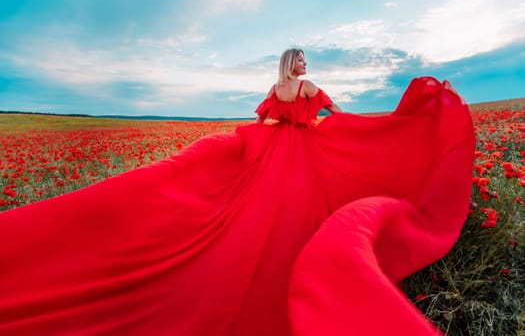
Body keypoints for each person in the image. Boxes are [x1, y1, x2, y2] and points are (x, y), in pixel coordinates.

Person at [0, 48, 475, 336]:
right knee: (298, 206)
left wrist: (252, 144)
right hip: (305, 151)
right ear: (297, 65)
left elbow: (265, 120)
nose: (305, 65)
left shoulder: (276, 86)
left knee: (261, 206)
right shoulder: (309, 87)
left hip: (274, 148)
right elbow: (333, 117)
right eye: (302, 60)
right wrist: (362, 128)